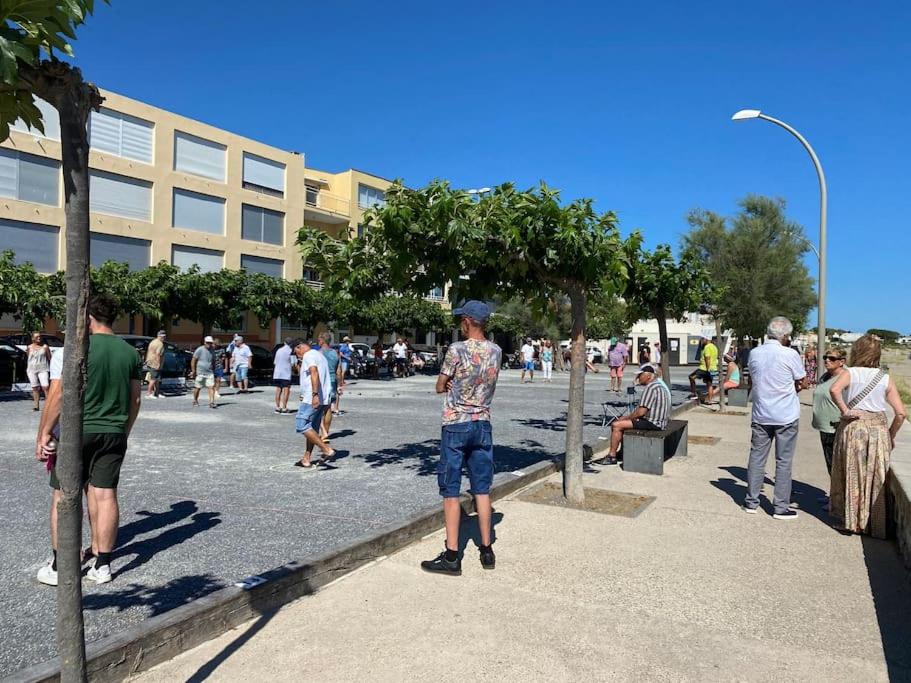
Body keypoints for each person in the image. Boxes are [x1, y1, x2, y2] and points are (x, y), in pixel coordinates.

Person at [35, 295, 142, 586]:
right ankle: (102, 565)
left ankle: (60, 565)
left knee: (63, 495)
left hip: (77, 431)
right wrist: (123, 430)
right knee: (105, 494)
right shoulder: (130, 352)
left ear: (88, 317)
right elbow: (135, 399)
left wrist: (45, 432)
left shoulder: (78, 348)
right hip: (114, 431)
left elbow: (59, 395)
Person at [421, 301, 501, 576]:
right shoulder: (496, 351)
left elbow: (440, 385)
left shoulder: (457, 349)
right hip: (483, 423)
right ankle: (487, 550)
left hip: (456, 423)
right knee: (482, 488)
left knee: (451, 488)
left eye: (461, 321)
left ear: (467, 321)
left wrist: (451, 384)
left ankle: (452, 554)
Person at [828, 335, 907, 538]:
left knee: (852, 473)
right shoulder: (884, 378)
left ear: (857, 351)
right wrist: (890, 435)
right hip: (878, 430)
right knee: (875, 478)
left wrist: (845, 410)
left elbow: (834, 389)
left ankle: (851, 522)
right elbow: (900, 414)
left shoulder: (851, 373)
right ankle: (874, 525)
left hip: (854, 427)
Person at [743, 317, 807, 520]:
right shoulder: (790, 354)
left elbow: (752, 380)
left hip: (761, 413)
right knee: (783, 461)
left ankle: (751, 501)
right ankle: (780, 506)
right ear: (785, 335)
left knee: (757, 458)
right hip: (785, 414)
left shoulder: (755, 353)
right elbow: (801, 380)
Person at [594, 364, 670, 467]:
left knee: (616, 425)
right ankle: (622, 452)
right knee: (624, 423)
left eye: (640, 375)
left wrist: (625, 418)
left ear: (648, 376)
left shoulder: (651, 388)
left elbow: (641, 412)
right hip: (660, 421)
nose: (638, 378)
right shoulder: (658, 385)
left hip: (653, 423)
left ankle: (611, 456)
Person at [292, 339, 336, 468]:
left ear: (299, 347)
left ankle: (326, 449)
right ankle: (306, 459)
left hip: (312, 398)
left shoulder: (308, 355)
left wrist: (314, 394)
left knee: (301, 424)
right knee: (312, 428)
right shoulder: (319, 355)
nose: (296, 355)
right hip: (323, 398)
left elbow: (314, 372)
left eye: (295, 352)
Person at [811, 347, 847, 491]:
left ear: (841, 361)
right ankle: (834, 495)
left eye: (832, 358)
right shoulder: (825, 377)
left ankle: (839, 497)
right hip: (824, 427)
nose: (827, 360)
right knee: (830, 464)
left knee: (837, 466)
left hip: (835, 427)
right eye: (825, 357)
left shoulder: (845, 377)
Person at [318, 334, 341, 441]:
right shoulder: (335, 353)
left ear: (323, 340)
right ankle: (326, 432)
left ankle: (322, 432)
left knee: (318, 409)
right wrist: (339, 385)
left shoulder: (318, 353)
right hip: (332, 381)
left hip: (322, 381)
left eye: (319, 340)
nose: (318, 342)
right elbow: (338, 371)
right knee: (328, 409)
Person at [688, 335, 718, 403]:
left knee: (691, 377)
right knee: (709, 384)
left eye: (702, 339)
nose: (701, 341)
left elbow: (707, 358)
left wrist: (708, 369)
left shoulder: (707, 347)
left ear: (706, 339)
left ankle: (694, 394)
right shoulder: (714, 347)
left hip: (704, 368)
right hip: (713, 369)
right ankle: (710, 400)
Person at [26, 332, 51, 411]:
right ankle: (36, 405)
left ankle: (48, 405)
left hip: (43, 368)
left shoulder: (45, 347)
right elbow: (28, 357)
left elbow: (49, 358)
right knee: (35, 387)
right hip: (32, 369)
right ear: (32, 338)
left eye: (40, 336)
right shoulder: (29, 347)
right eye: (37, 337)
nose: (39, 338)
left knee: (45, 386)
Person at [191, 336, 217, 409]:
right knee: (198, 387)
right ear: (204, 342)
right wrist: (193, 371)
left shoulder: (212, 350)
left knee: (211, 387)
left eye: (210, 343)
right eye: (207, 342)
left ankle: (211, 402)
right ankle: (195, 400)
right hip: (200, 372)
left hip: (210, 372)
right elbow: (193, 360)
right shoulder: (199, 349)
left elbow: (213, 360)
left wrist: (214, 368)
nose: (209, 344)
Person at [272, 338, 295, 414]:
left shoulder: (279, 350)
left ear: (284, 342)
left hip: (277, 373)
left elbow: (275, 362)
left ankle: (277, 407)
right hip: (286, 373)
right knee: (286, 390)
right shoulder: (291, 351)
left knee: (278, 390)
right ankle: (284, 407)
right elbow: (293, 363)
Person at [145, 330, 165, 399]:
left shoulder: (153, 342)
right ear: (160, 336)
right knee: (153, 379)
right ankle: (149, 393)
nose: (164, 338)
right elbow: (158, 354)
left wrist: (147, 360)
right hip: (155, 363)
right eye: (163, 337)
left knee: (157, 379)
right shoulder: (160, 344)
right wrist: (158, 364)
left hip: (150, 362)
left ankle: (157, 393)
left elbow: (149, 351)